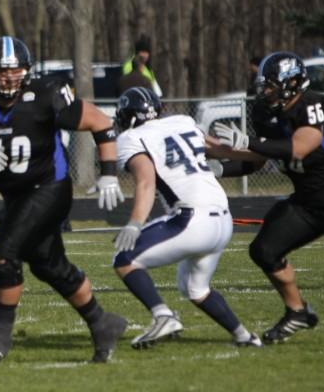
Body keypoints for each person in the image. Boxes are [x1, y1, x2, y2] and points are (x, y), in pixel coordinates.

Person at [0, 36, 127, 364]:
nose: (8, 77)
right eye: (1, 71)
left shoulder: (46, 96)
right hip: (15, 197)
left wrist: (110, 172)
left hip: (50, 188)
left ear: (26, 71)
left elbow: (101, 122)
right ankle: (103, 324)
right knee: (49, 266)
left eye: (14, 70)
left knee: (2, 252)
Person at [209, 51, 324, 343]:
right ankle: (298, 311)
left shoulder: (313, 103)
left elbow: (299, 148)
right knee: (264, 250)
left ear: (292, 83)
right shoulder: (264, 112)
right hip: (307, 202)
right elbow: (255, 161)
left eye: (271, 85)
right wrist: (218, 167)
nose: (265, 91)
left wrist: (247, 142)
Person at [112, 87, 262, 349]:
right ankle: (245, 336)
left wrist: (135, 223)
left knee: (125, 259)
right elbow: (236, 153)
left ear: (128, 117)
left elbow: (146, 182)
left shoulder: (131, 138)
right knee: (196, 289)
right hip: (224, 221)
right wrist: (251, 144)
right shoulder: (183, 122)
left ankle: (163, 316)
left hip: (192, 220)